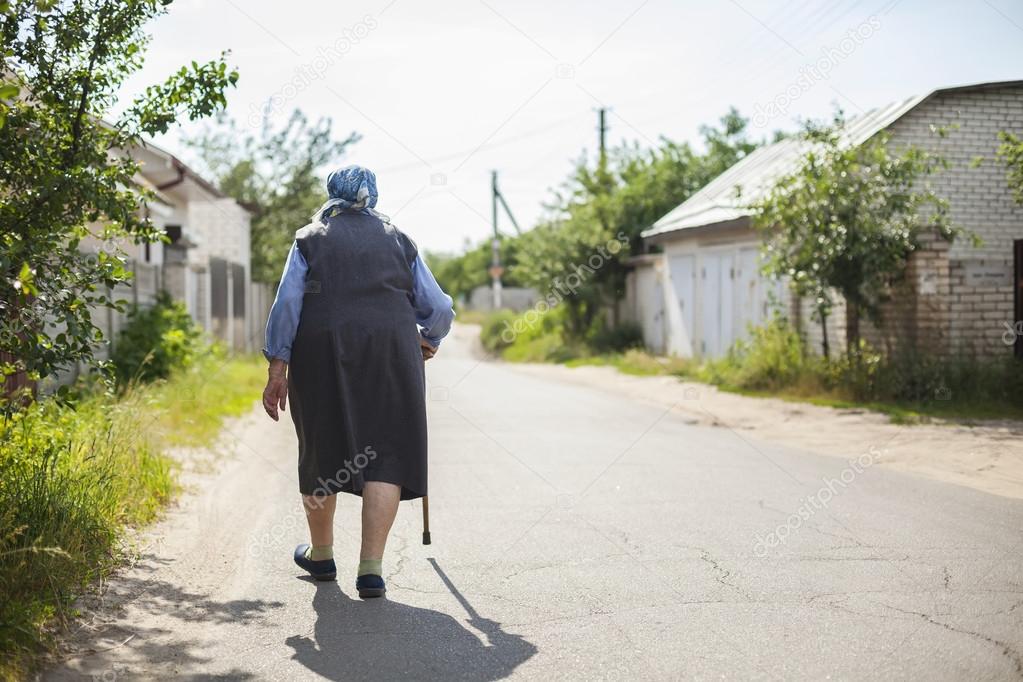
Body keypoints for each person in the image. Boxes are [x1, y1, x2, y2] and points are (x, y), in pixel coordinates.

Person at [261, 165, 454, 598]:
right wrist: (429, 339)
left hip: (321, 350)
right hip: (392, 352)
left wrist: (278, 367)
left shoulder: (310, 237)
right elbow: (438, 307)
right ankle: (371, 569)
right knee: (385, 453)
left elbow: (288, 304)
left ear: (332, 193)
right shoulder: (400, 240)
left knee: (321, 447)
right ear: (374, 196)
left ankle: (322, 555)